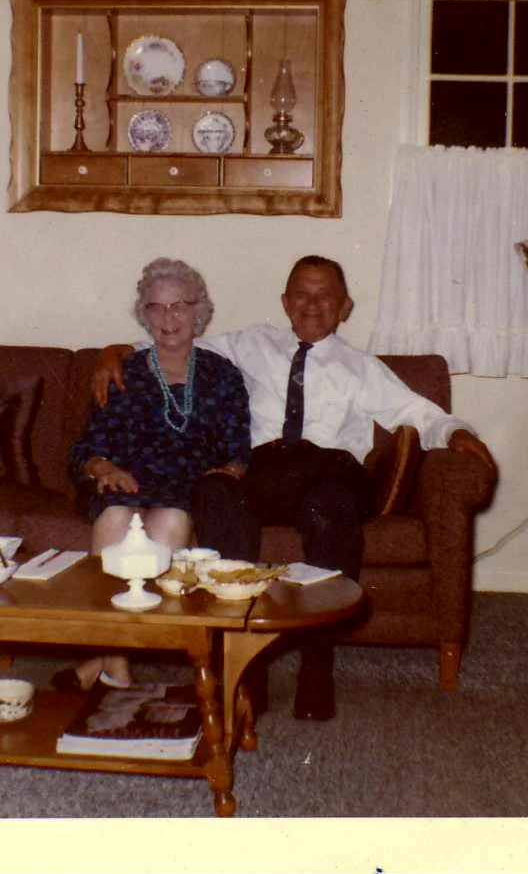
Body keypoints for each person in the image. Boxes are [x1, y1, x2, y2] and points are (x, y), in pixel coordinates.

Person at [93, 255, 495, 719]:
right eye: (301, 294)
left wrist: (457, 434)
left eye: (325, 296)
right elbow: (175, 342)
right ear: (285, 302)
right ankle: (244, 670)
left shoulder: (361, 367)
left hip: (330, 473)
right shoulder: (250, 344)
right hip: (265, 471)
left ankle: (317, 667)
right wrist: (116, 350)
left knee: (330, 503)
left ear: (344, 306)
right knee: (216, 491)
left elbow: (417, 411)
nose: (312, 304)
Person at [57, 257, 251, 692]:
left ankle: (109, 659)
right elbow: (87, 446)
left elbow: (239, 450)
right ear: (143, 315)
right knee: (114, 519)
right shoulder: (121, 371)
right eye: (156, 307)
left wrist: (230, 470)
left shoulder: (222, 374)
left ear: (199, 312)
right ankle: (117, 660)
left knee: (173, 523)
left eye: (179, 305)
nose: (168, 317)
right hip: (123, 482)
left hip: (183, 487)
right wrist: (103, 467)